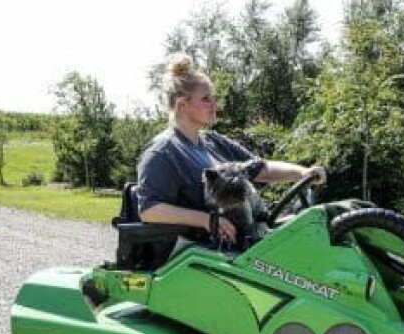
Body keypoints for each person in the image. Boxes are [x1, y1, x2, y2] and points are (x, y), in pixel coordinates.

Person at [136, 54, 325, 243]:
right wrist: (208, 220)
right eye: (206, 99)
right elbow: (150, 210)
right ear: (182, 105)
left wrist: (303, 173)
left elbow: (260, 169)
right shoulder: (162, 152)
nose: (215, 105)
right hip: (204, 255)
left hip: (243, 246)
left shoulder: (213, 141)